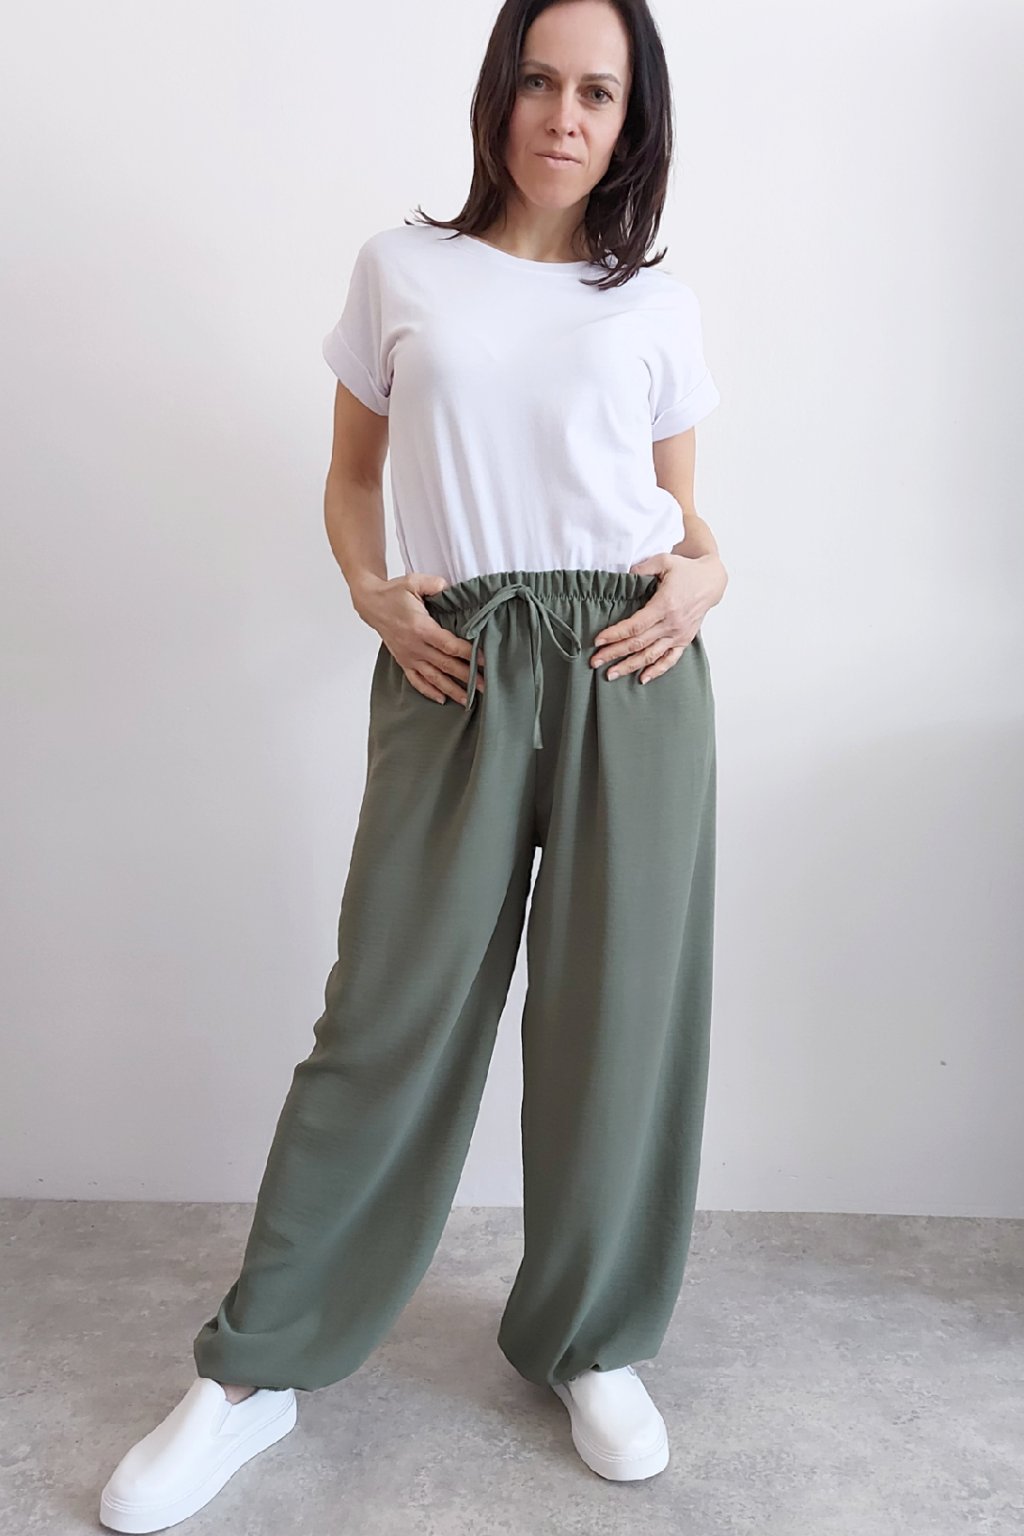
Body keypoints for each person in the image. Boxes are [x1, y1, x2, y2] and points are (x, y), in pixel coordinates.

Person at [98, 0, 727, 1527]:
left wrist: (710, 575)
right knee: (385, 1013)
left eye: (598, 92)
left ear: (630, 120)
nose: (563, 115)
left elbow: (685, 519)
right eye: (539, 81)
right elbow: (353, 474)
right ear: (498, 93)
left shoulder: (654, 301)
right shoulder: (403, 269)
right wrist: (372, 592)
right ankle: (256, 1371)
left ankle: (587, 1340)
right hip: (457, 659)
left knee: (619, 1021)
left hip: (633, 668)